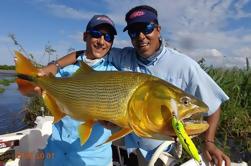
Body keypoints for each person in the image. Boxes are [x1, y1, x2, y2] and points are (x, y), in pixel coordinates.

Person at [40, 5, 231, 166]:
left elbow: (213, 105)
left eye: (146, 28)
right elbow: (86, 51)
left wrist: (209, 142)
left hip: (158, 153)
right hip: (128, 146)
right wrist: (54, 66)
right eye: (134, 31)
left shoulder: (184, 65)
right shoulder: (124, 55)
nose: (141, 36)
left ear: (158, 29)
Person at [42, 15, 118, 166]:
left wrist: (116, 123)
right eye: (96, 34)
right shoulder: (64, 70)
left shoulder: (114, 74)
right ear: (85, 36)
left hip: (93, 158)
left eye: (108, 37)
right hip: (56, 152)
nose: (101, 41)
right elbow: (37, 90)